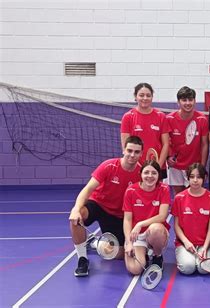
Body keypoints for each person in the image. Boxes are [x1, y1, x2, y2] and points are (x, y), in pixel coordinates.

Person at [68, 135, 143, 277]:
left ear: (141, 153)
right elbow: (88, 189)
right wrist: (76, 209)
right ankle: (82, 259)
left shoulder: (141, 173)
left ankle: (95, 243)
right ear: (124, 150)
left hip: (119, 215)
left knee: (118, 254)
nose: (132, 155)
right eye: (130, 150)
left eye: (137, 152)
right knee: (76, 218)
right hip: (98, 205)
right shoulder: (109, 166)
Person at [123, 160, 170, 274]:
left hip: (155, 232)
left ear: (159, 175)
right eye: (146, 172)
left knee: (156, 230)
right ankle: (143, 252)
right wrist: (129, 243)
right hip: (137, 235)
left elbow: (162, 216)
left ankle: (157, 255)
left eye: (154, 173)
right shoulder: (131, 191)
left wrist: (140, 224)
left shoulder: (164, 189)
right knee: (135, 270)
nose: (150, 176)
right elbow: (127, 219)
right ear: (141, 174)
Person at [172, 163, 210, 275]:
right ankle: (184, 255)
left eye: (199, 177)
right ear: (187, 178)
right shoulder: (179, 198)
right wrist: (186, 242)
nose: (195, 180)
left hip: (206, 243)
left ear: (204, 178)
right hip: (185, 243)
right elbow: (177, 226)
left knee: (203, 269)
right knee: (188, 268)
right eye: (192, 177)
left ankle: (202, 254)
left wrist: (205, 248)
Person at [166, 86, 209, 195]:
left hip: (194, 166)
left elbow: (204, 144)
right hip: (175, 166)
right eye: (184, 100)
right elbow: (164, 142)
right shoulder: (169, 119)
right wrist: (168, 157)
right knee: (179, 196)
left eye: (190, 99)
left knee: (193, 195)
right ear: (178, 102)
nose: (188, 103)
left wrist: (202, 167)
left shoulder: (202, 119)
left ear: (195, 101)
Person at [121, 83, 170, 172]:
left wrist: (157, 166)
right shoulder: (128, 117)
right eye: (141, 95)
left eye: (148, 95)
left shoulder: (161, 116)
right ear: (135, 97)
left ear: (152, 97)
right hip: (135, 167)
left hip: (157, 166)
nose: (145, 98)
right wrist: (135, 165)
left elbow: (166, 144)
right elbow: (125, 146)